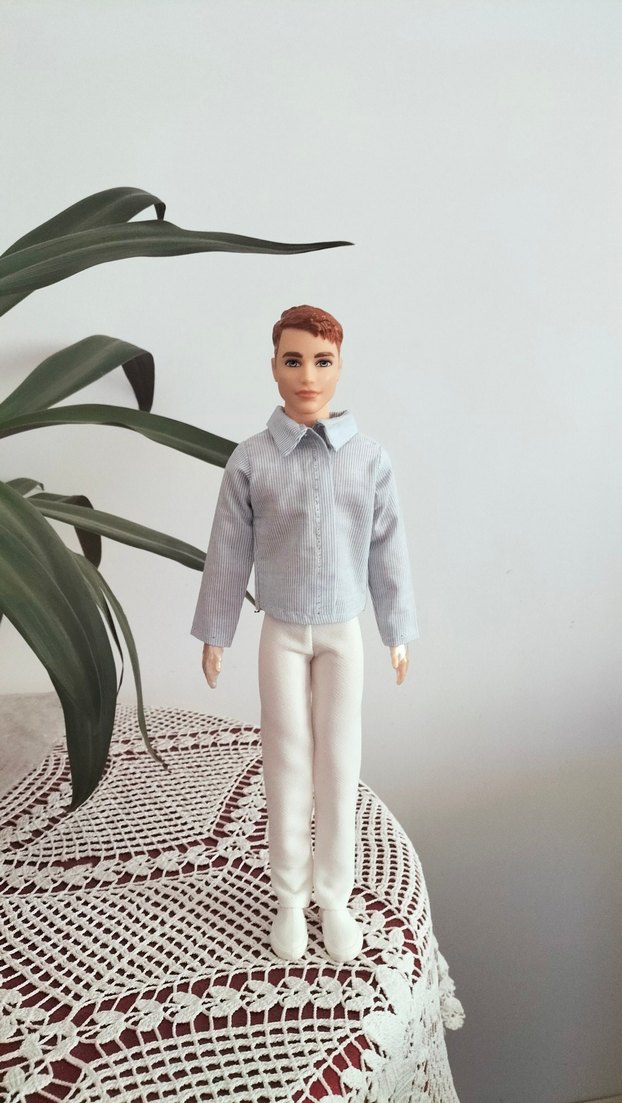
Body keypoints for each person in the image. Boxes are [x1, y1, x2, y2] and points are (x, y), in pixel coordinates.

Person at [191, 304, 418, 963]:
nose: (307, 376)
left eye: (322, 361)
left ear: (340, 367)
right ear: (273, 367)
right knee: (286, 760)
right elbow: (229, 550)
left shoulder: (368, 459)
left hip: (343, 632)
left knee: (340, 763)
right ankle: (290, 898)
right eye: (293, 360)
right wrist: (217, 631)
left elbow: (387, 549)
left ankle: (334, 897)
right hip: (283, 631)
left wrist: (397, 629)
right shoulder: (252, 460)